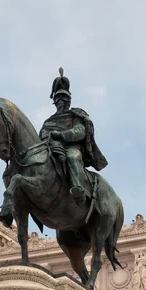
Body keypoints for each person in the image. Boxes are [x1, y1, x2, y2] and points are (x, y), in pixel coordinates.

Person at [39, 67, 107, 205]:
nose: (60, 102)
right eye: (57, 99)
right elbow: (42, 134)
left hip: (71, 147)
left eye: (63, 99)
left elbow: (80, 131)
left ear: (68, 101)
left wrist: (61, 135)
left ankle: (78, 189)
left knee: (72, 157)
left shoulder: (75, 114)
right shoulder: (49, 120)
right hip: (50, 147)